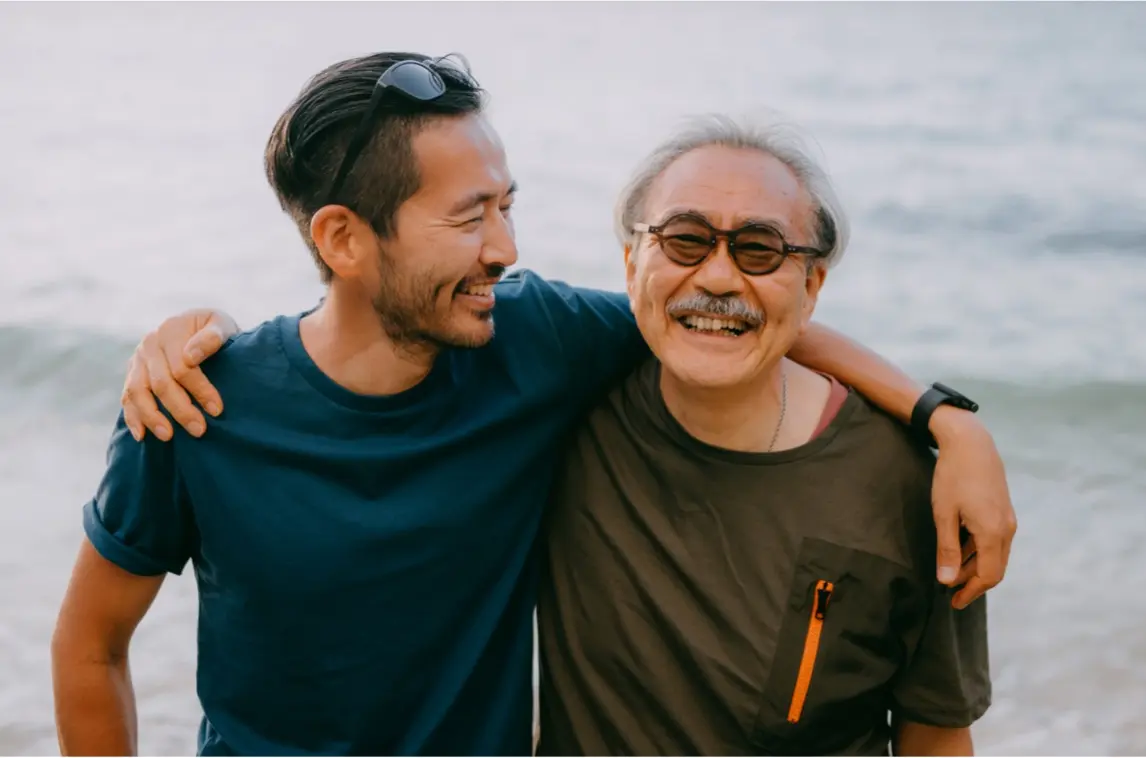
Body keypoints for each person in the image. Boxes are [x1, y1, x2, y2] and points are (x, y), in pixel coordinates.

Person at [51, 51, 1014, 756]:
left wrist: (943, 418)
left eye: (507, 205)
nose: (506, 248)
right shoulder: (197, 404)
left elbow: (720, 308)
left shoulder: (531, 339)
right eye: (471, 217)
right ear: (344, 239)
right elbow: (91, 643)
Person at [536, 116, 990, 757]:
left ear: (812, 287)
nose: (719, 278)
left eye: (760, 250)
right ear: (633, 259)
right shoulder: (561, 405)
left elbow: (937, 735)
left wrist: (952, 424)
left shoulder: (911, 486)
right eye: (686, 239)